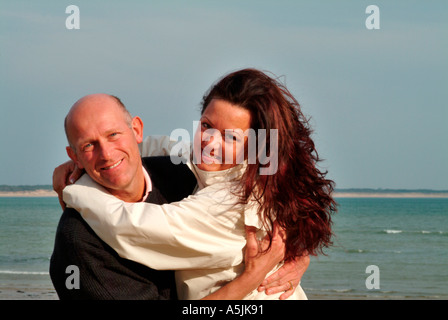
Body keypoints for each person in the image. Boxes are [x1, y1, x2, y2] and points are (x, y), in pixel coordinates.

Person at [58, 69, 336, 299]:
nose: (210, 144)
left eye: (231, 138)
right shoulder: (213, 170)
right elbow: (164, 146)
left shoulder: (233, 201)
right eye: (206, 126)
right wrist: (86, 161)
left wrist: (76, 189)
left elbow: (131, 226)